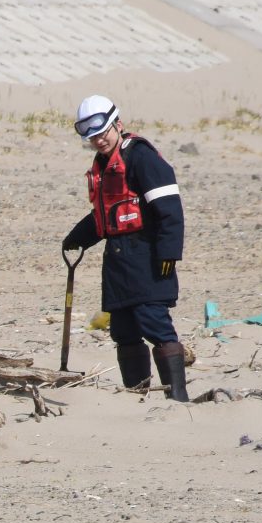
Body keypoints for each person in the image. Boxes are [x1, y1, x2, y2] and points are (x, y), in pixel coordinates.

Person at [61, 95, 191, 402]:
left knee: (155, 324)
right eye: (92, 137)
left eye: (103, 133)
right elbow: (108, 215)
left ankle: (178, 399)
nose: (99, 141)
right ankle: (137, 397)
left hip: (147, 257)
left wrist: (169, 253)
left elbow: (170, 209)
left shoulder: (142, 157)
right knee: (123, 330)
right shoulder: (105, 163)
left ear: (117, 125)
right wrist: (78, 236)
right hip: (117, 261)